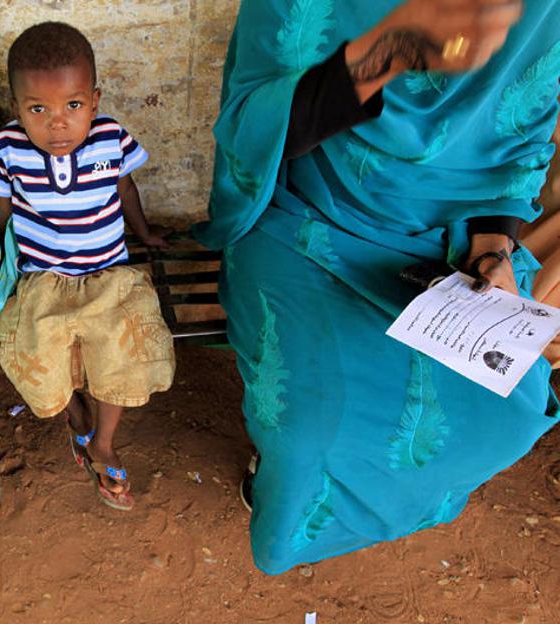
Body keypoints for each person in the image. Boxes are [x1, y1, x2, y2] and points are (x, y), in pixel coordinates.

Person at [192, 0, 560, 574]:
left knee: (506, 414)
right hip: (311, 211)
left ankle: (383, 504)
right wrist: (388, 50)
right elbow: (252, 129)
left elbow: (520, 139)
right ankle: (284, 506)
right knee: (307, 427)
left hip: (457, 228)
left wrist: (493, 245)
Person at [0, 22, 175, 512]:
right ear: (17, 107)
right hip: (43, 279)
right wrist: (3, 260)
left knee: (126, 353)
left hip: (110, 275)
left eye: (72, 105)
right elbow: (1, 210)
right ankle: (75, 416)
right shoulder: (7, 148)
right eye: (38, 110)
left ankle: (103, 442)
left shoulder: (111, 138)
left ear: (94, 100)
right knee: (33, 352)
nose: (58, 124)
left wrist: (145, 233)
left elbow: (125, 188)